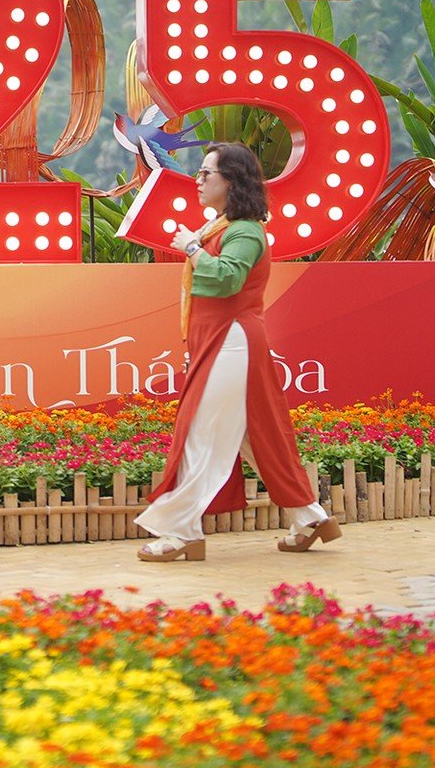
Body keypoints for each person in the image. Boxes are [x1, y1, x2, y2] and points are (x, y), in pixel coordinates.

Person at [134, 142, 338, 561]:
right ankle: (310, 518)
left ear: (232, 182)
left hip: (232, 340)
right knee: (253, 436)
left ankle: (180, 532)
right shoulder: (221, 228)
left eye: (207, 173)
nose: (198, 179)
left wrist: (191, 248)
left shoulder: (243, 230)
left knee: (199, 434)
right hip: (220, 341)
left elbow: (227, 280)